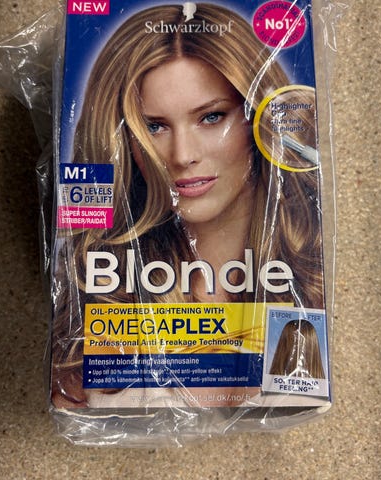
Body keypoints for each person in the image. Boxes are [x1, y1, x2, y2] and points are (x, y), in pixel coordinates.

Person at [51, 3, 324, 408]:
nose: (182, 155)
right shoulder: (99, 301)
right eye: (154, 126)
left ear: (261, 120)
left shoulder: (309, 282)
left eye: (211, 117)